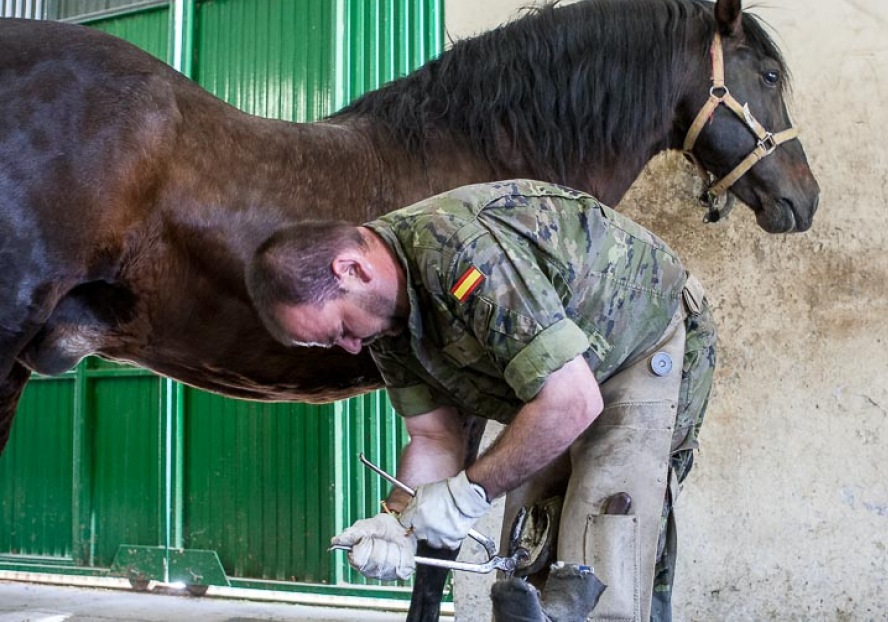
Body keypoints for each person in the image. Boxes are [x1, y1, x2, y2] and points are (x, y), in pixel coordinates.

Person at [247, 180, 716, 621]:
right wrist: (397, 521)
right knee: (528, 560)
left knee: (606, 548)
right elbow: (434, 438)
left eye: (341, 331)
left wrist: (467, 493)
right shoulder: (387, 324)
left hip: (646, 344)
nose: (350, 347)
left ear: (352, 269)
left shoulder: (462, 256)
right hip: (564, 379)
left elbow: (572, 401)